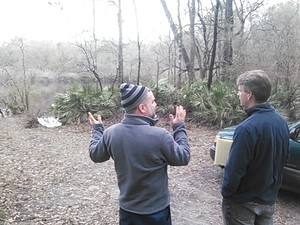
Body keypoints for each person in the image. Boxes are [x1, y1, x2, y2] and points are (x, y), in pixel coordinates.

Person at [88, 83, 190, 225]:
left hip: (128, 212)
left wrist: (98, 129)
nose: (156, 104)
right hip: (156, 213)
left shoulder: (111, 133)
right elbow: (183, 156)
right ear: (142, 108)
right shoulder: (160, 136)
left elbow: (95, 155)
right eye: (153, 101)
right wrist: (179, 127)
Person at [221, 70, 290, 225]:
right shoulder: (282, 123)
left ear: (249, 94)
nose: (238, 94)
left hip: (243, 204)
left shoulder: (246, 129)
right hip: (268, 201)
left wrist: (227, 194)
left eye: (240, 91)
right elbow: (284, 159)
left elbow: (235, 169)